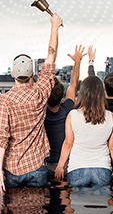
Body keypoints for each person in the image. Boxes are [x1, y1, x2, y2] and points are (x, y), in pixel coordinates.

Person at [0, 13, 63, 191]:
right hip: (37, 166)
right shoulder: (40, 93)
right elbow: (51, 58)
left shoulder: (4, 101)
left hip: (12, 168)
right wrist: (54, 27)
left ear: (12, 75)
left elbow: (1, 138)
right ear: (32, 75)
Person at [54, 75, 113, 187]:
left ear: (83, 93)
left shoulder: (72, 115)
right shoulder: (111, 117)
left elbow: (68, 144)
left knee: (76, 203)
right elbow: (112, 147)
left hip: (77, 168)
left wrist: (60, 167)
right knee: (103, 203)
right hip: (103, 169)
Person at [45, 45, 83, 178]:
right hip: (65, 163)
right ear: (62, 96)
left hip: (45, 164)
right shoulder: (67, 109)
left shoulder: (40, 112)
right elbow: (73, 84)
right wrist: (77, 63)